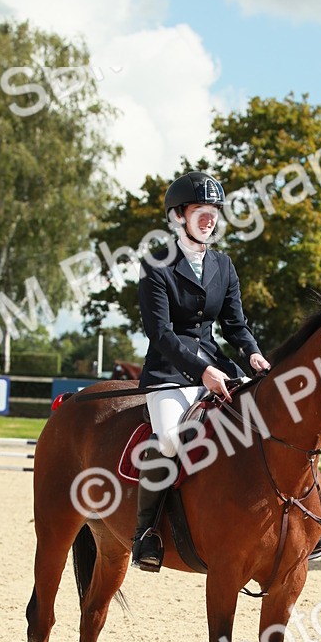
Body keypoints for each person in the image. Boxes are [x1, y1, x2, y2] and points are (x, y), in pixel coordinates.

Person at [131, 171, 271, 569]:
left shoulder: (223, 265)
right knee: (172, 440)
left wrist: (253, 354)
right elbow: (160, 333)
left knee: (265, 417)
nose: (209, 218)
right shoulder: (156, 265)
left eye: (213, 212)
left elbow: (234, 325)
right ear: (179, 216)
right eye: (200, 211)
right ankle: (146, 534)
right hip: (168, 374)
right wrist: (204, 370)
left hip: (218, 366)